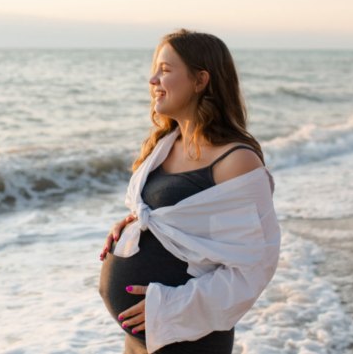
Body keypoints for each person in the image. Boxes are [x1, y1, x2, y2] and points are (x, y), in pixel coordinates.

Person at [97, 28, 280, 353]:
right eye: (154, 69)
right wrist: (134, 228)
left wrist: (171, 306)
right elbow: (183, 224)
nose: (153, 79)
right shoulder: (165, 144)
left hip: (190, 340)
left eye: (165, 70)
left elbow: (255, 266)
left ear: (200, 80)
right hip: (141, 339)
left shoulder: (235, 161)